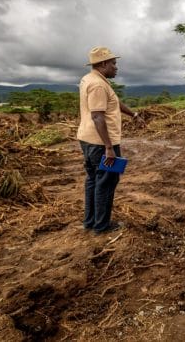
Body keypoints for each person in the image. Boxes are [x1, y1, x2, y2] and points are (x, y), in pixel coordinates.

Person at [77, 46, 143, 234]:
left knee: (93, 180)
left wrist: (133, 113)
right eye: (113, 63)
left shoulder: (91, 79)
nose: (116, 67)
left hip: (88, 139)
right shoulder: (98, 85)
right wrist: (109, 147)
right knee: (107, 181)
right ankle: (102, 226)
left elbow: (113, 102)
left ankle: (90, 222)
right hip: (101, 143)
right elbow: (98, 116)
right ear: (103, 63)